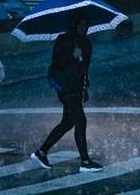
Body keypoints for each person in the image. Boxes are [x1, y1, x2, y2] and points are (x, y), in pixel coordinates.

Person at [31, 12, 103, 172]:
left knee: (67, 123)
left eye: (86, 25)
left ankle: (41, 152)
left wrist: (84, 88)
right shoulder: (63, 40)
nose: (84, 28)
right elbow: (57, 62)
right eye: (80, 24)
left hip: (76, 88)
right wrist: (72, 55)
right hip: (66, 88)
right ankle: (85, 161)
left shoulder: (86, 43)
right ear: (74, 24)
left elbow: (84, 69)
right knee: (80, 122)